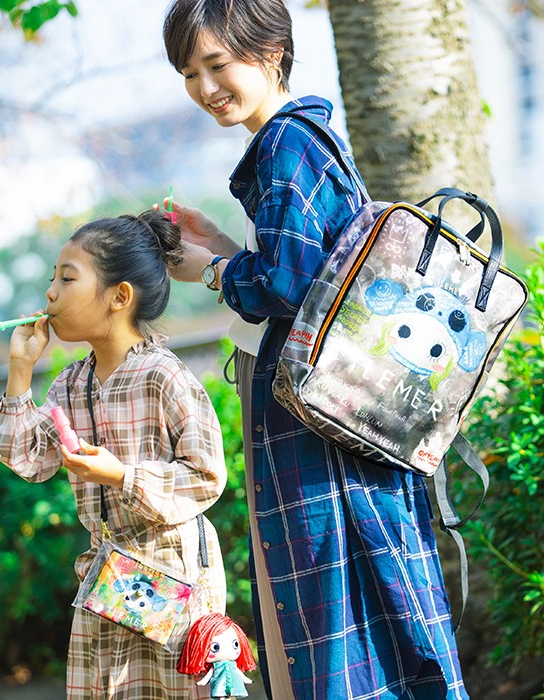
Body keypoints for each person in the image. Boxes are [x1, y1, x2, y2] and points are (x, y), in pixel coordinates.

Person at [160, 1, 468, 698]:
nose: (206, 87)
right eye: (189, 72)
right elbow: (309, 279)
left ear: (270, 52)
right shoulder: (306, 140)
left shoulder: (286, 146)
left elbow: (286, 283)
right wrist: (225, 244)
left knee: (336, 619)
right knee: (376, 615)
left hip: (317, 430)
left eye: (218, 64)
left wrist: (208, 271)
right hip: (343, 416)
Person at [0, 209, 229, 699]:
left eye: (67, 278)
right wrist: (20, 371)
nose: (50, 293)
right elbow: (29, 461)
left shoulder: (165, 377)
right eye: (52, 279)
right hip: (107, 574)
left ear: (120, 297)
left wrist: (122, 475)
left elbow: (206, 476)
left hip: (174, 575)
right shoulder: (71, 384)